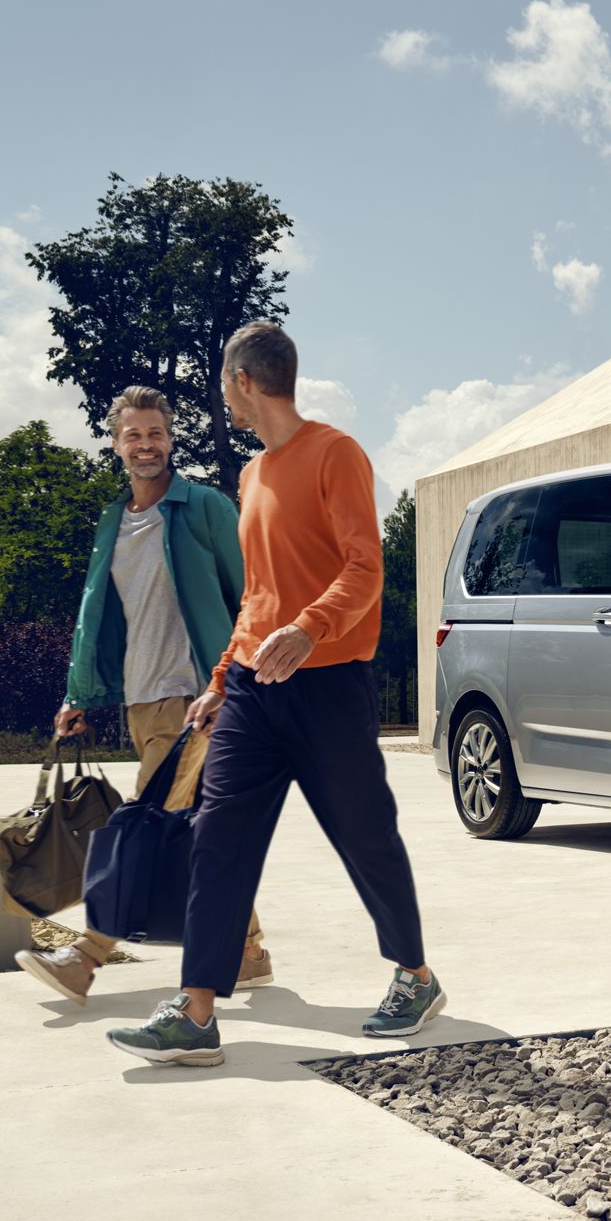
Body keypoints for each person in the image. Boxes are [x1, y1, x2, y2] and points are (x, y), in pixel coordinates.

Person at [106, 323, 439, 1068]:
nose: (223, 394)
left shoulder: (335, 453)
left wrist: (309, 628)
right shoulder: (252, 476)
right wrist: (225, 677)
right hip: (256, 690)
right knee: (217, 834)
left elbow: (364, 568)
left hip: (327, 687)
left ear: (241, 381)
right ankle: (195, 1011)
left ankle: (414, 974)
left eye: (224, 382)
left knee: (363, 832)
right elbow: (257, 595)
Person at [17, 386, 273, 1004]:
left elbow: (253, 591)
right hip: (141, 697)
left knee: (145, 826)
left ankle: (86, 955)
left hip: (196, 698)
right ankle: (247, 951)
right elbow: (94, 612)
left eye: (156, 433)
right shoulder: (113, 521)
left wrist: (234, 679)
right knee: (198, 830)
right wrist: (79, 692)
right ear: (116, 444)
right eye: (133, 435)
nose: (146, 445)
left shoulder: (204, 507)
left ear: (171, 439)